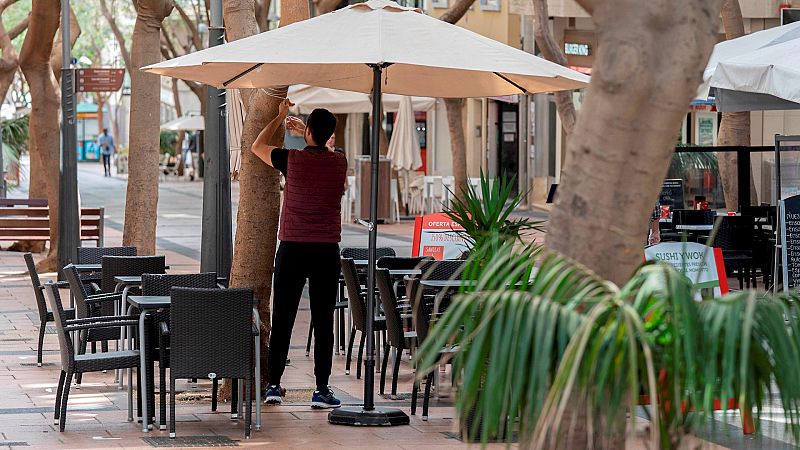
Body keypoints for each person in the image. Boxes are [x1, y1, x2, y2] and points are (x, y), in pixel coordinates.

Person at [251, 99, 347, 409]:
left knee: (283, 318)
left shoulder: (291, 159)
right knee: (324, 322)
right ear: (329, 134)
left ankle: (274, 385)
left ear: (307, 132)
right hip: (326, 251)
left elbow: (256, 146)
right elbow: (327, 151)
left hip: (292, 248)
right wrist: (309, 132)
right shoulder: (339, 162)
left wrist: (280, 117)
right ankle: (321, 389)